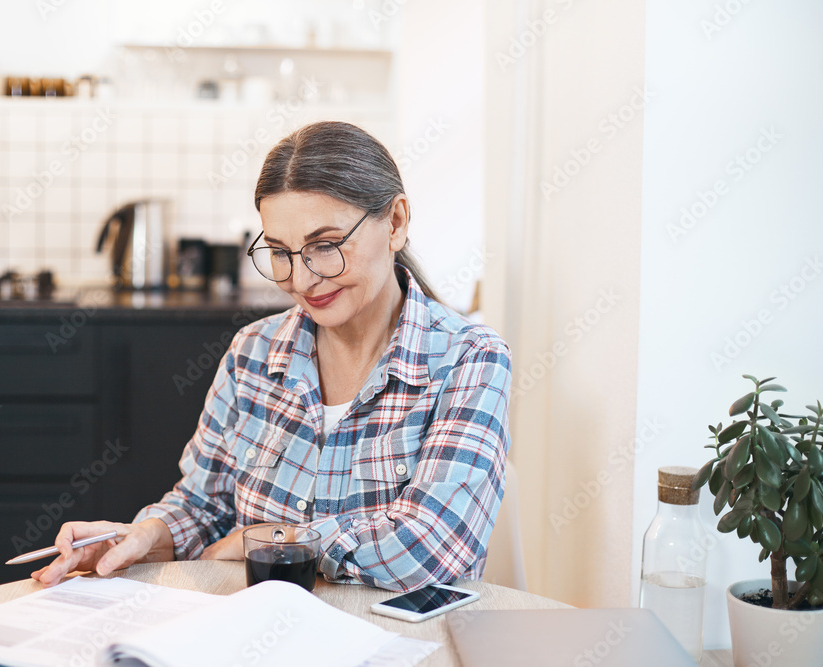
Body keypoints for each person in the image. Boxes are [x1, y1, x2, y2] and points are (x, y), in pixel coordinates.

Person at [33, 121, 511, 592]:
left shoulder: (470, 360)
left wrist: (270, 540)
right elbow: (204, 505)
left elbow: (431, 547)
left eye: (326, 246)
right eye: (281, 252)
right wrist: (140, 537)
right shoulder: (252, 353)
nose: (302, 281)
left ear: (397, 223)